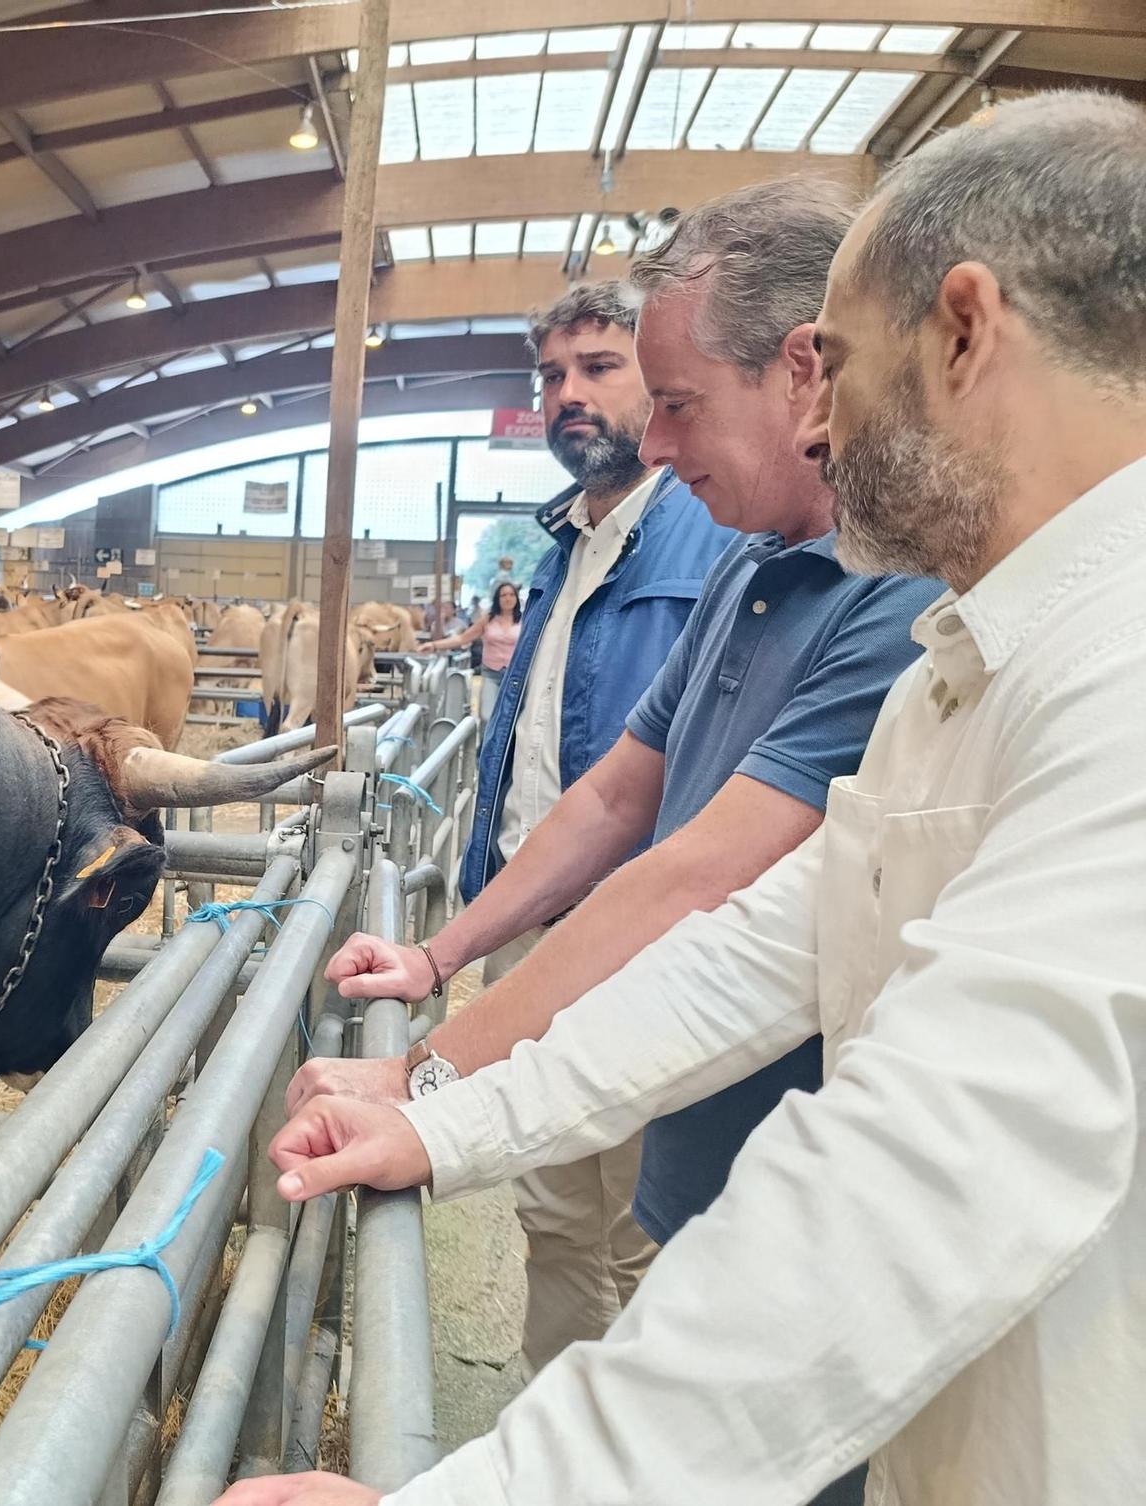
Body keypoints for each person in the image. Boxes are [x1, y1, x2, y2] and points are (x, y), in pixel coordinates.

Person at [220, 90, 1146, 1506]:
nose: (816, 417)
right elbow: (756, 948)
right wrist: (451, 1117)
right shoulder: (971, 662)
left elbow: (929, 1164)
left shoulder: (1120, 666)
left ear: (965, 332)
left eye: (835, 361)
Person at [303, 178, 949, 1443]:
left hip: (794, 1157)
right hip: (687, 1107)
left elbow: (695, 881)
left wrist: (432, 1075)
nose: (654, 445)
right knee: (611, 1299)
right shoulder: (752, 565)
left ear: (807, 372)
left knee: (700, 1384)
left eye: (673, 401)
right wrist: (443, 970)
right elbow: (618, 797)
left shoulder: (895, 598)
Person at [399, 279, 738, 1380]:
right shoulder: (562, 548)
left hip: (649, 933)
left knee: (649, 1226)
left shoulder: (710, 536)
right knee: (552, 1208)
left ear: (660, 381)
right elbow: (554, 770)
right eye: (549, 376)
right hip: (533, 916)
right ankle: (550, 1439)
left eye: (597, 368)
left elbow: (633, 793)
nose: (566, 396)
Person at [421, 581, 522, 721]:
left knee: (512, 718)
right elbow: (462, 638)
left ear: (516, 598)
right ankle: (486, 742)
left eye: (511, 595)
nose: (508, 598)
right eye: (503, 595)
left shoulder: (525, 620)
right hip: (491, 674)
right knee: (487, 716)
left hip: (515, 675)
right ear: (497, 599)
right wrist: (434, 645)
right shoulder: (488, 619)